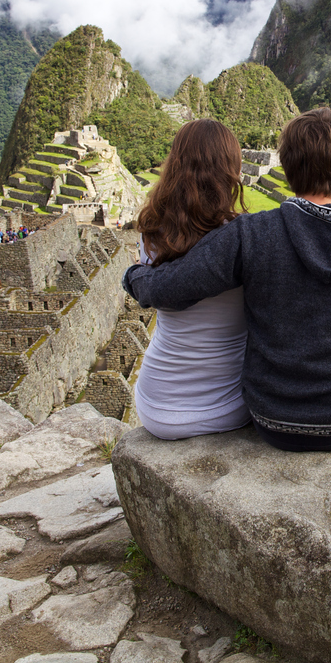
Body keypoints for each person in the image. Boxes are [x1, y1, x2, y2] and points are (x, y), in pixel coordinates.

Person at [123, 108, 331, 452]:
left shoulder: (250, 234)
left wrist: (135, 275)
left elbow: (171, 288)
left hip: (269, 419)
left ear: (286, 167)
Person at [130, 119, 250, 439]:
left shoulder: (150, 231)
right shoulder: (242, 237)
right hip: (223, 405)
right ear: (231, 168)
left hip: (154, 403)